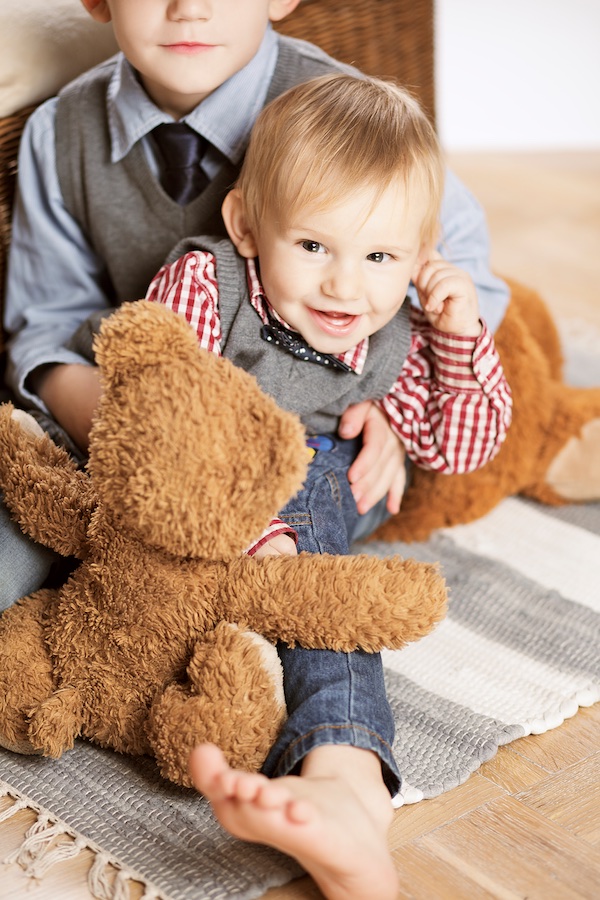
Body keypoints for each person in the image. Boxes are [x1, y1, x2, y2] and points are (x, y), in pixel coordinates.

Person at [1, 0, 511, 609]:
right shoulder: (61, 134)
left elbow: (459, 274)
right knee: (25, 518)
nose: (189, 8)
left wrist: (396, 406)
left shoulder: (353, 120)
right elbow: (45, 322)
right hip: (126, 402)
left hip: (305, 425)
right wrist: (117, 418)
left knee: (300, 522)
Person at [140, 72, 511, 899]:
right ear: (246, 224)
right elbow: (166, 419)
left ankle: (346, 779)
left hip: (333, 483)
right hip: (221, 484)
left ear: (418, 259)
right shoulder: (207, 287)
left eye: (381, 258)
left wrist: (457, 337)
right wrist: (241, 522)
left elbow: (462, 445)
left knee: (311, 516)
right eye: (313, 247)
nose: (347, 286)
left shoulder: (402, 334)